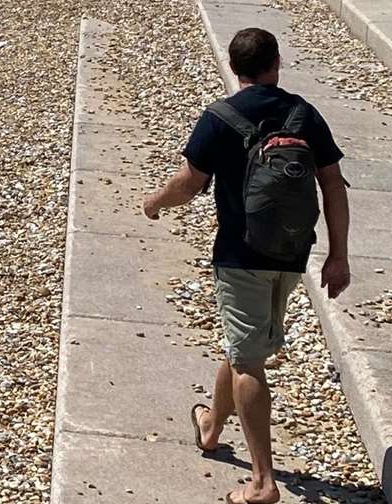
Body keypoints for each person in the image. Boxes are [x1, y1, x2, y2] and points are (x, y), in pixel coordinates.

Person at [143, 28, 350, 504]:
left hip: (240, 256)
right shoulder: (303, 115)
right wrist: (338, 255)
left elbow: (188, 183)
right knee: (243, 345)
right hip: (292, 254)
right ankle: (212, 427)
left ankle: (263, 483)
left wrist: (153, 204)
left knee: (249, 359)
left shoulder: (220, 117)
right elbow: (334, 187)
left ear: (236, 69)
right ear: (276, 62)